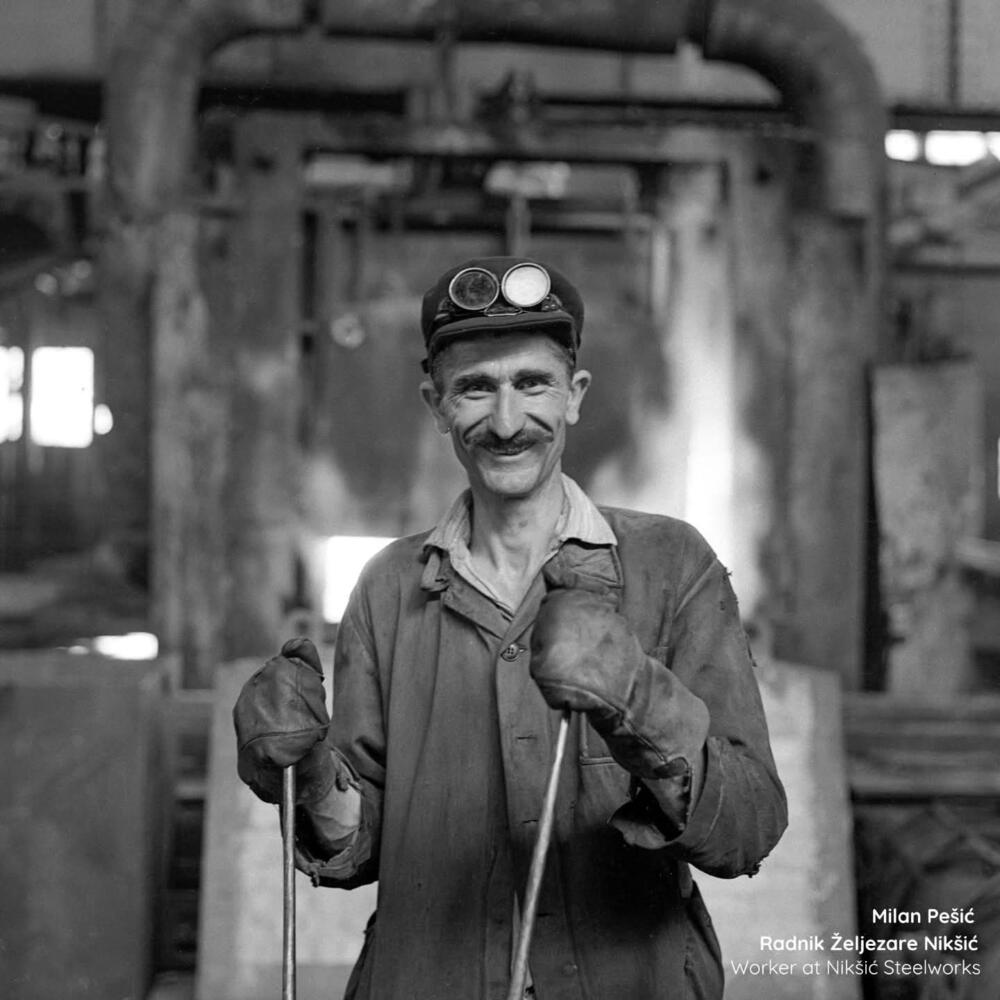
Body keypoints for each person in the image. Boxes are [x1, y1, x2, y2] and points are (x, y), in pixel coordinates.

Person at [234, 256, 787, 1000]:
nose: (505, 422)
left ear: (574, 395)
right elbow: (357, 845)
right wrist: (305, 780)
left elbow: (749, 826)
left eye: (532, 384)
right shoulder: (388, 588)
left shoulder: (672, 565)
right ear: (436, 405)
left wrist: (641, 706)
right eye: (474, 388)